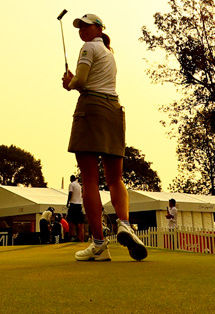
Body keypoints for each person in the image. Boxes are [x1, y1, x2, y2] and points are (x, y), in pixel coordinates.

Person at [61, 13, 146, 262]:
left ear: (98, 29)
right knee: (115, 178)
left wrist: (70, 83)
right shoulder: (109, 53)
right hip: (114, 110)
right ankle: (125, 224)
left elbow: (83, 81)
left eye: (86, 26)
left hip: (92, 109)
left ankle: (99, 244)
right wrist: (75, 81)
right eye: (79, 27)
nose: (81, 31)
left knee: (90, 180)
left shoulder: (88, 48)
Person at [67, 175, 86, 243]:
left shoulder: (71, 185)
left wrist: (68, 202)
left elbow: (70, 193)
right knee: (79, 223)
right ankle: (79, 238)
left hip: (73, 204)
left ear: (71, 179)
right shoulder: (79, 185)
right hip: (79, 205)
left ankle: (71, 237)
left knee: (70, 221)